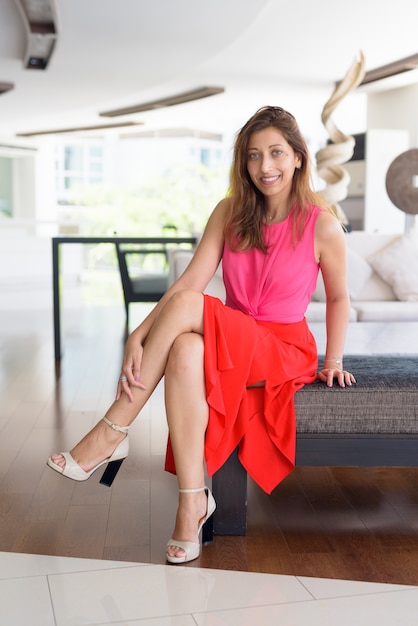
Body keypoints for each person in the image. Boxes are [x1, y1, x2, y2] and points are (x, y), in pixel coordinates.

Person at [47, 105, 356, 564]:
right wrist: (139, 333)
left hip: (281, 347)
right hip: (234, 336)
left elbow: (337, 299)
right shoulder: (229, 212)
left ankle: (113, 429)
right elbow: (189, 280)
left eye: (275, 153)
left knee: (191, 314)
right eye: (253, 156)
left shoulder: (322, 223)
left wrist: (332, 361)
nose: (264, 167)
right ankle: (193, 501)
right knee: (187, 349)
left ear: (297, 157)